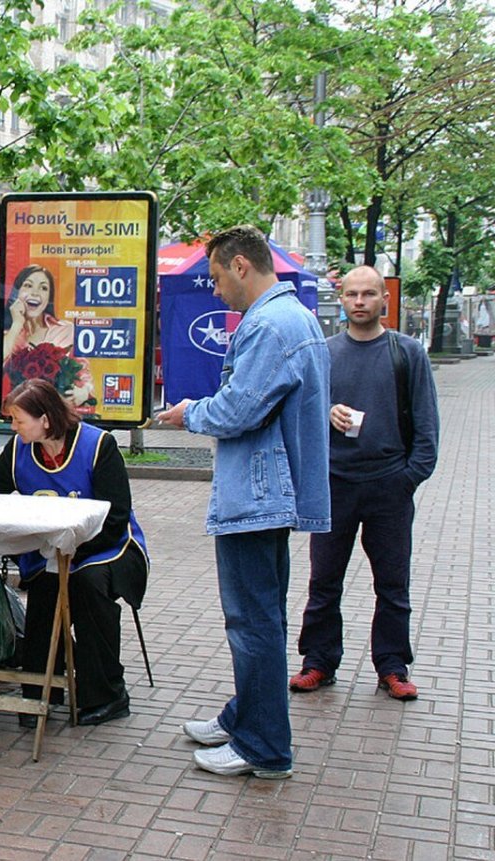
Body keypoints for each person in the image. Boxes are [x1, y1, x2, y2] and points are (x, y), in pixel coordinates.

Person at [157, 225, 330, 780]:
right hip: (268, 492)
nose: (214, 291)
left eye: (214, 277)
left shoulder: (270, 325)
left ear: (239, 267)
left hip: (257, 495)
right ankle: (245, 718)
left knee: (252, 621)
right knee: (262, 617)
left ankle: (263, 746)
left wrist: (189, 414)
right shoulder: (293, 317)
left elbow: (238, 410)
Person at [0, 378, 148, 728]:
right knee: (43, 593)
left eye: (18, 420)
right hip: (52, 554)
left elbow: (116, 518)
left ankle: (107, 694)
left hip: (108, 548)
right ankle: (41, 690)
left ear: (46, 420)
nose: (12, 427)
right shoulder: (19, 451)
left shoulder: (99, 445)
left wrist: (72, 551)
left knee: (86, 585)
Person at [289, 265, 439, 701]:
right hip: (335, 484)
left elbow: (427, 429)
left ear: (384, 300)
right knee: (324, 581)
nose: (359, 302)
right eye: (352, 294)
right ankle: (318, 660)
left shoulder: (406, 353)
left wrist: (407, 479)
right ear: (342, 299)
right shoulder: (325, 352)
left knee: (393, 583)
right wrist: (326, 412)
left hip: (389, 485)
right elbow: (302, 414)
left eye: (368, 294)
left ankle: (392, 665)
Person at [3, 264, 94, 407]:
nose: (35, 293)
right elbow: (0, 364)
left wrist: (84, 391)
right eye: (28, 285)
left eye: (43, 288)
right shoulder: (10, 334)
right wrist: (16, 325)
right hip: (22, 410)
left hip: (61, 411)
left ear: (49, 298)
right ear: (16, 293)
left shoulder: (66, 330)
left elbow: (84, 374)